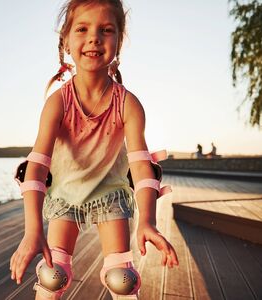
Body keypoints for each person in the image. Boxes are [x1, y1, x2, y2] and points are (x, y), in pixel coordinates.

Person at [10, 1, 179, 299]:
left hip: (110, 196)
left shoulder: (128, 104)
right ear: (66, 41)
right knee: (52, 275)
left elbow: (141, 165)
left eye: (106, 30)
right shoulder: (57, 103)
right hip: (64, 196)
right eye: (82, 29)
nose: (94, 38)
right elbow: (36, 166)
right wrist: (32, 229)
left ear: (119, 41)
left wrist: (148, 221)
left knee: (122, 278)